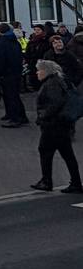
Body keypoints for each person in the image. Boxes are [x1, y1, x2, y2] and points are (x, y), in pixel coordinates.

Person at [31, 59, 82, 193]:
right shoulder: (61, 80)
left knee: (45, 151)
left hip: (53, 125)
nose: (37, 73)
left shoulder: (52, 84)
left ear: (46, 71)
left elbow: (55, 103)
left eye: (39, 70)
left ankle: (46, 181)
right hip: (63, 124)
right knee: (67, 153)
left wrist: (43, 116)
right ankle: (75, 182)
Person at [0, 23, 29, 127]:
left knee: (10, 96)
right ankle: (21, 116)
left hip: (6, 73)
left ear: (0, 31)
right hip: (16, 71)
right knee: (14, 95)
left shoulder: (1, 43)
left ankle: (15, 118)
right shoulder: (14, 41)